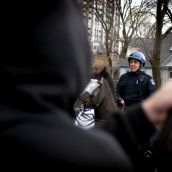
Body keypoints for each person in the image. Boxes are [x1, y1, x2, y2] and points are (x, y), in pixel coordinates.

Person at [0, 0, 172, 171]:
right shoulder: (125, 78)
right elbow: (117, 92)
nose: (133, 64)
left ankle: (149, 151)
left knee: (153, 137)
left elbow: (151, 94)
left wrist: (144, 107)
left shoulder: (146, 79)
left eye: (136, 62)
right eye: (132, 62)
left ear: (141, 65)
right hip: (125, 108)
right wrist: (119, 99)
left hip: (140, 106)